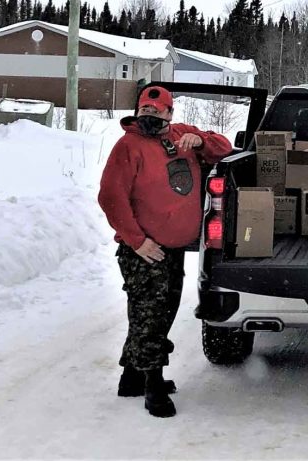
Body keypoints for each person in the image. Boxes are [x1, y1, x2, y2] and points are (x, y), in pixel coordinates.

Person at [98, 86, 233, 417]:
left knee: (159, 312)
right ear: (138, 112)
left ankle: (132, 377)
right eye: (146, 111)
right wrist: (136, 240)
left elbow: (224, 149)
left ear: (170, 114)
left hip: (171, 250)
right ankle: (153, 386)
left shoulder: (181, 136)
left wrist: (201, 141)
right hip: (144, 251)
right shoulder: (128, 146)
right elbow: (110, 196)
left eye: (158, 112)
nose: (151, 117)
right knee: (151, 317)